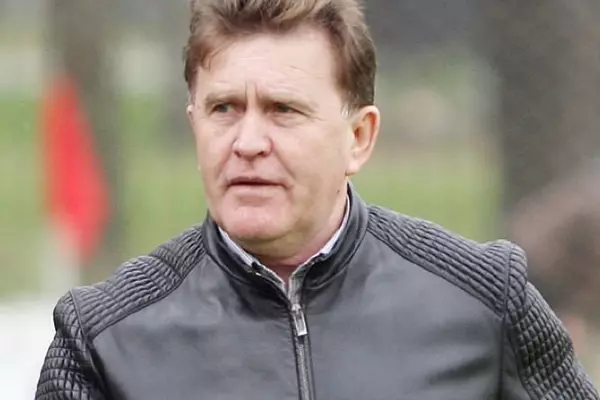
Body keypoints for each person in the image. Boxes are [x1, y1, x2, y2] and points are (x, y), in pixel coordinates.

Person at [35, 0, 599, 399]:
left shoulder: (485, 301)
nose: (247, 143)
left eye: (283, 110)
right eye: (224, 108)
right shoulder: (102, 339)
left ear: (359, 137)